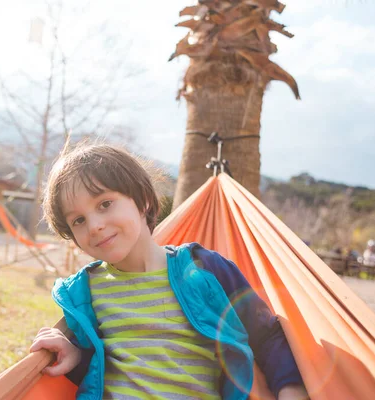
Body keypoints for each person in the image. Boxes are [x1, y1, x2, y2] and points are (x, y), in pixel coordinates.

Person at [30, 143, 307, 399]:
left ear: (144, 201)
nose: (94, 226)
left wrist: (291, 390)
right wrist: (74, 355)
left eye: (104, 204)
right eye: (78, 220)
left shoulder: (204, 270)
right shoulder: (86, 293)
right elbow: (98, 372)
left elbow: (266, 335)